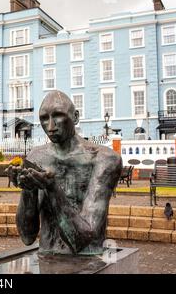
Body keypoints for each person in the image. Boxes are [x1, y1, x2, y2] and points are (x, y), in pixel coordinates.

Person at [17, 91, 122, 255]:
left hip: (87, 256)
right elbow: (27, 237)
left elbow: (82, 239)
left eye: (58, 116)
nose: (50, 127)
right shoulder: (36, 157)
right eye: (44, 118)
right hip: (47, 254)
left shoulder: (104, 159)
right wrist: (28, 190)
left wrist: (53, 189)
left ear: (75, 117)